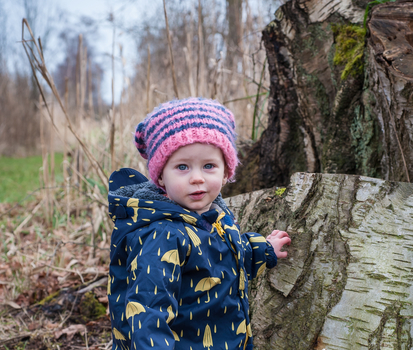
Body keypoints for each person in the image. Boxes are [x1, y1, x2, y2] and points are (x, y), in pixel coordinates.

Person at [107, 97, 291, 350]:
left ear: (226, 172)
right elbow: (148, 311)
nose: (196, 178)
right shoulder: (162, 233)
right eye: (182, 167)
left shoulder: (212, 215)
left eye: (209, 166)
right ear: (160, 175)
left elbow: (219, 261)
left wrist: (261, 249)